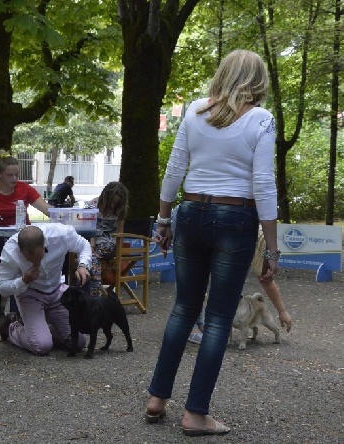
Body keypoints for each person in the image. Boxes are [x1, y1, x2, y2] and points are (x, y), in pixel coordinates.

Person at [146, 49, 279, 436]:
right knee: (219, 318)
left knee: (183, 309)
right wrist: (271, 246)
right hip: (234, 218)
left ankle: (157, 398)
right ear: (257, 80)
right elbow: (263, 184)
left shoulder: (195, 112)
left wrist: (163, 218)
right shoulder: (261, 119)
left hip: (190, 212)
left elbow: (175, 167)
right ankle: (196, 413)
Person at [0, 224, 91, 355]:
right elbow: (2, 288)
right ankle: (12, 327)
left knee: (78, 342)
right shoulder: (10, 251)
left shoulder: (61, 235)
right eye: (28, 259)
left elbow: (84, 245)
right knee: (41, 346)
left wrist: (83, 265)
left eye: (39, 257)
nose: (36, 263)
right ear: (20, 250)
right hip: (29, 294)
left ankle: (41, 331)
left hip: (57, 291)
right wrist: (23, 280)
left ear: (44, 244)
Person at [0, 150, 51, 316]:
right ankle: (11, 303)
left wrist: (65, 216)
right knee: (10, 256)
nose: (14, 179)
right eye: (10, 175)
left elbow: (47, 210)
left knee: (47, 251)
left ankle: (42, 299)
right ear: (0, 174)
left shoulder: (25, 189)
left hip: (25, 237)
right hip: (1, 240)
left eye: (17, 174)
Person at [88, 181, 129, 297]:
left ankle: (95, 295)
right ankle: (88, 293)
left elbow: (120, 233)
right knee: (86, 257)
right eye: (112, 202)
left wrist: (118, 252)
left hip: (110, 244)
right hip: (93, 242)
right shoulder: (93, 205)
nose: (113, 206)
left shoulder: (121, 211)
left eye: (116, 204)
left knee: (93, 258)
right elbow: (91, 229)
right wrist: (91, 246)